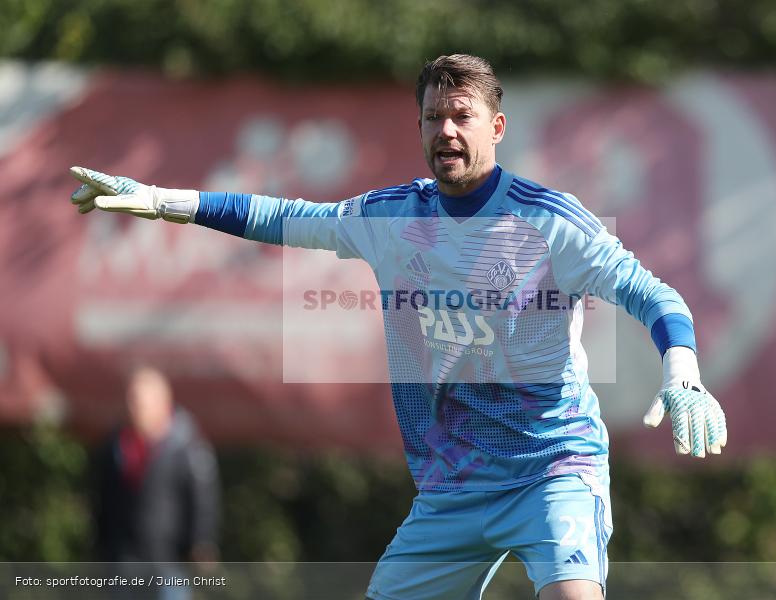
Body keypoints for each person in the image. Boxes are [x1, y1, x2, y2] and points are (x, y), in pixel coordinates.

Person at [72, 54, 726, 600]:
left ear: (496, 127)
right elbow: (281, 216)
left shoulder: (552, 221)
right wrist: (162, 202)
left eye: (462, 116)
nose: (446, 130)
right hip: (452, 487)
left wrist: (685, 374)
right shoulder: (391, 219)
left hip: (550, 468)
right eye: (433, 117)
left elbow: (651, 293)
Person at [93, 366, 219, 569]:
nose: (132, 408)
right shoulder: (115, 444)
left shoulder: (186, 444)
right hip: (123, 557)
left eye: (139, 403)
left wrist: (201, 541)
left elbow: (202, 498)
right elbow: (104, 499)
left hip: (168, 558)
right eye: (130, 401)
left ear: (162, 403)